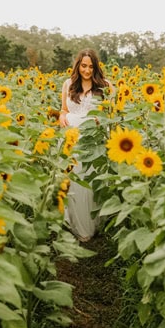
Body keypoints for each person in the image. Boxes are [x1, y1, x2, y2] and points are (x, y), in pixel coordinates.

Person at [59, 49, 112, 242]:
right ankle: (76, 224)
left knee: (91, 180)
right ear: (78, 66)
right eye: (83, 66)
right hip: (72, 138)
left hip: (93, 139)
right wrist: (62, 116)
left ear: (96, 67)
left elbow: (110, 113)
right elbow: (63, 110)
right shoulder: (68, 84)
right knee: (75, 180)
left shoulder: (105, 86)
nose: (87, 70)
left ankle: (92, 223)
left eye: (91, 66)